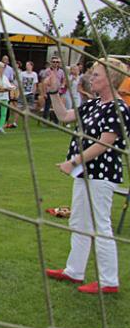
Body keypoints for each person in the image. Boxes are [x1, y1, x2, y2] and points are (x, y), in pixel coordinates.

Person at [45, 58, 129, 294]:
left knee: (100, 225)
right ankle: (74, 271)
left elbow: (105, 143)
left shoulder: (119, 108)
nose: (91, 78)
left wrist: (73, 162)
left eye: (96, 75)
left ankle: (108, 281)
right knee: (79, 222)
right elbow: (64, 115)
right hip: (85, 173)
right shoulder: (94, 104)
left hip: (102, 175)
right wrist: (53, 92)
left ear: (111, 79)